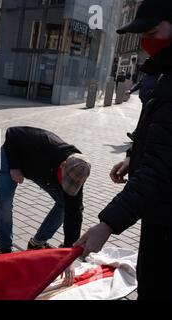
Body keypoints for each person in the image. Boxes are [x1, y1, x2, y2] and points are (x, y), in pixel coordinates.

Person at [75, 0, 172, 300]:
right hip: (158, 210)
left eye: (152, 32)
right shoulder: (161, 72)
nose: (146, 42)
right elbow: (155, 131)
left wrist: (108, 224)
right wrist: (133, 156)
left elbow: (159, 167)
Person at [0, 127, 91, 253]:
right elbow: (12, 133)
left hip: (40, 171)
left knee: (65, 203)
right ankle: (5, 249)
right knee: (4, 204)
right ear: (63, 165)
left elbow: (74, 213)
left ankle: (37, 243)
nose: (65, 186)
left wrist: (69, 251)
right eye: (65, 180)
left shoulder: (78, 171)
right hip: (10, 157)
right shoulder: (45, 143)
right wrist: (14, 166)